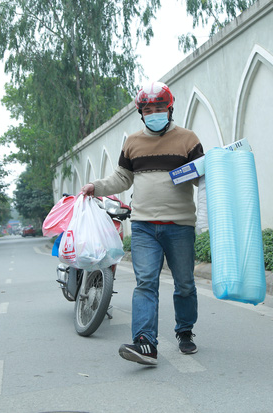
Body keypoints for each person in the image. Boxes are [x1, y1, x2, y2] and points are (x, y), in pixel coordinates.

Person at [81, 81, 204, 366]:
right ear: (141, 113)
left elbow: (203, 177)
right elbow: (121, 178)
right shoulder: (133, 142)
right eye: (149, 109)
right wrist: (95, 186)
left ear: (170, 108)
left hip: (180, 225)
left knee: (184, 283)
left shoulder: (188, 140)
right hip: (143, 225)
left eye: (160, 107)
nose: (155, 113)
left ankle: (185, 331)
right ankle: (145, 342)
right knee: (146, 282)